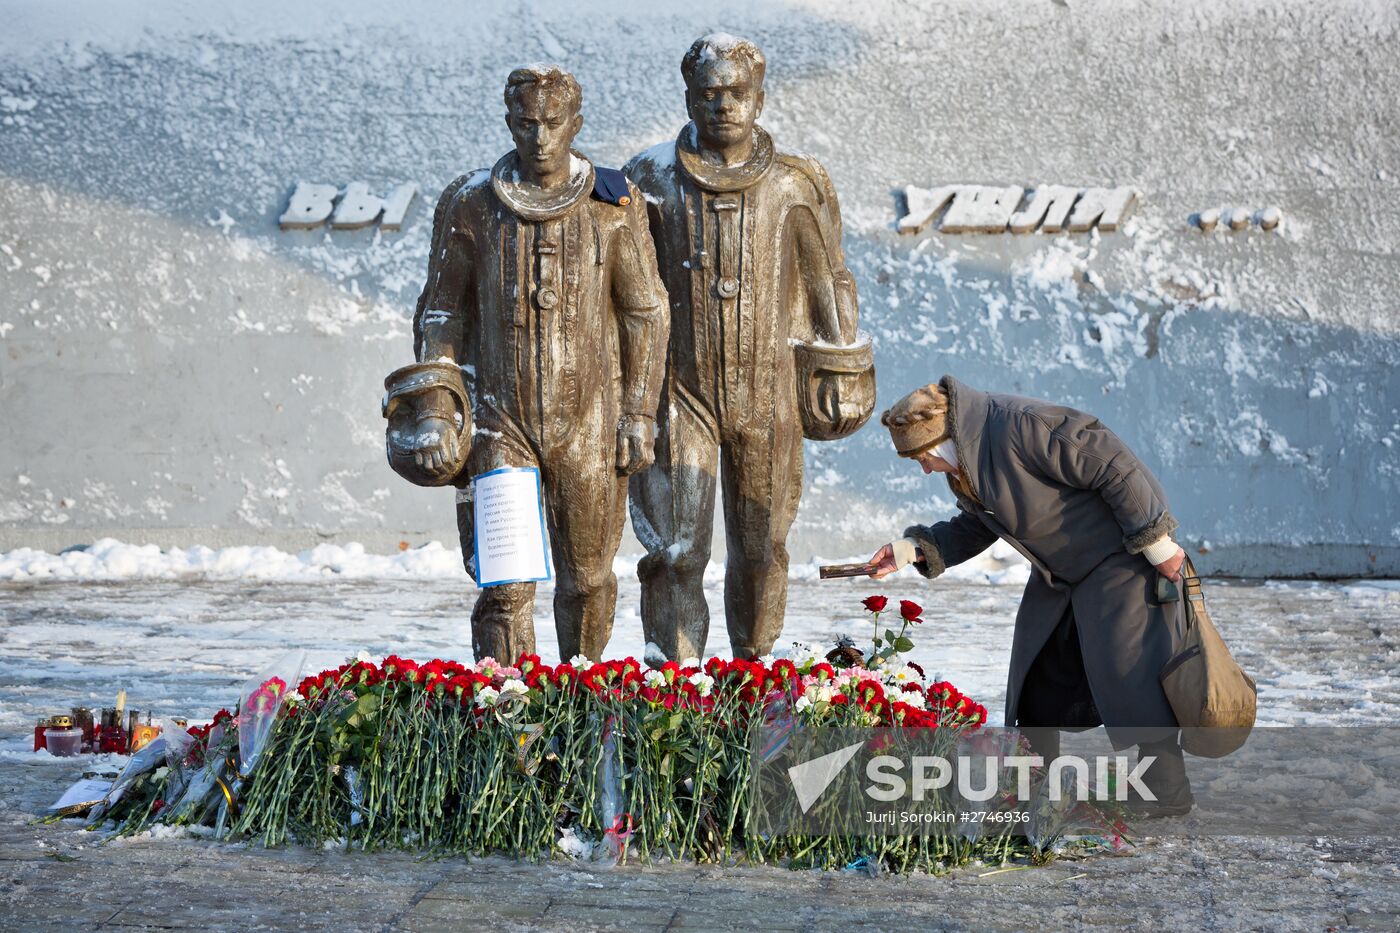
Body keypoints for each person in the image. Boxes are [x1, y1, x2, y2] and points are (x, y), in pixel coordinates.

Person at [408, 65, 668, 662]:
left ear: (576, 123)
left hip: (591, 425)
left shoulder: (611, 203)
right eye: (526, 123)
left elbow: (644, 311)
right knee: (505, 587)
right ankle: (512, 718)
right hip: (502, 423)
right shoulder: (471, 204)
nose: (541, 138)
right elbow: (441, 313)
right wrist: (439, 407)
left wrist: (638, 413)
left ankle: (579, 704)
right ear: (509, 122)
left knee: (588, 581)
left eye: (554, 123)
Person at [625, 34, 870, 662]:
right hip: (680, 395)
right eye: (708, 93)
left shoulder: (793, 183)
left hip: (769, 393)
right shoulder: (647, 177)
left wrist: (843, 361)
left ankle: (752, 677)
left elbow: (828, 279)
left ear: (759, 97)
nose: (723, 105)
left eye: (736, 92)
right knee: (676, 551)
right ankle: (675, 687)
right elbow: (617, 290)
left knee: (761, 550)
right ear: (688, 98)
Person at [867, 376, 1194, 815]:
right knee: (1035, 670)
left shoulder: (1024, 426)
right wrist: (909, 550)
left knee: (1132, 671)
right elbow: (979, 524)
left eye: (923, 457)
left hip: (1119, 556)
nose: (925, 468)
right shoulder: (969, 459)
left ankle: (1166, 790)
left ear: (943, 438)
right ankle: (1035, 785)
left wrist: (1158, 545)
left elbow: (1112, 463)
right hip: (1059, 569)